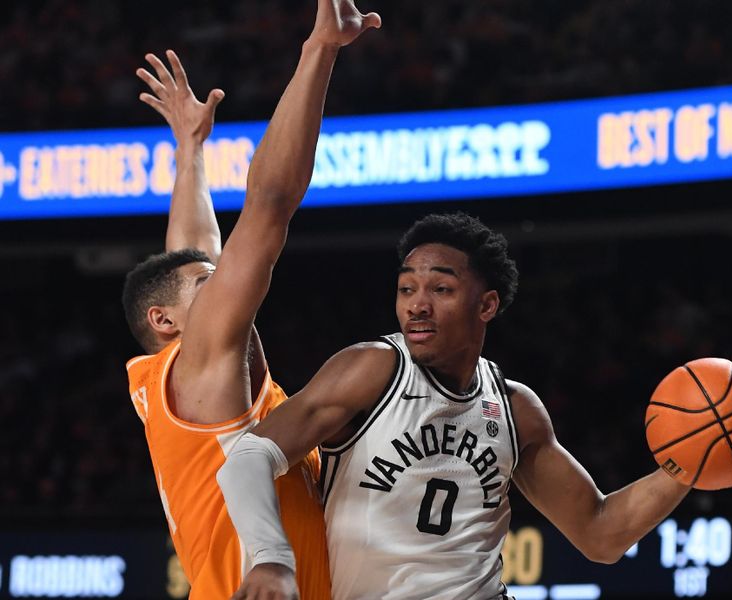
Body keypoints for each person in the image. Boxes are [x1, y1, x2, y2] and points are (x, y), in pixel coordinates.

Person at [217, 212, 692, 599]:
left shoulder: (514, 408)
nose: (416, 306)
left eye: (440, 290)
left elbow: (600, 534)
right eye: (407, 289)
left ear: (486, 306)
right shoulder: (372, 369)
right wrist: (272, 559)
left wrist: (687, 465)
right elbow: (247, 457)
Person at [122, 2, 381, 597]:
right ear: (166, 322)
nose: (226, 283)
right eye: (207, 287)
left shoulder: (184, 378)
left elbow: (192, 258)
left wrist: (190, 150)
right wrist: (320, 51)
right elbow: (268, 205)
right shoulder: (201, 373)